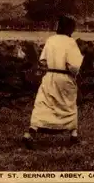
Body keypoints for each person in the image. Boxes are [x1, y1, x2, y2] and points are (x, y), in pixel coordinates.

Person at [22, 15, 84, 149]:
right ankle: (74, 135)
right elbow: (74, 66)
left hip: (49, 76)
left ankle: (31, 132)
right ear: (69, 29)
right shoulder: (70, 42)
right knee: (69, 104)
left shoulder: (50, 40)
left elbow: (42, 60)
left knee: (43, 103)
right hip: (65, 77)